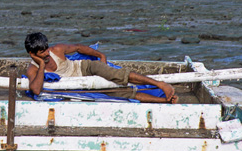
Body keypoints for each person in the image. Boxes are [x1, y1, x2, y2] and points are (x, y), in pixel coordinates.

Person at [24, 32, 178, 103]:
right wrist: (42, 64)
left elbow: (78, 48)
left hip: (84, 68)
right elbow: (36, 90)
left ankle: (160, 84)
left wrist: (101, 55)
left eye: (46, 49)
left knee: (117, 75)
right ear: (32, 54)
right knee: (121, 93)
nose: (46, 53)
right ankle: (163, 100)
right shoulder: (33, 69)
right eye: (41, 52)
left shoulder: (56, 50)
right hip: (77, 85)